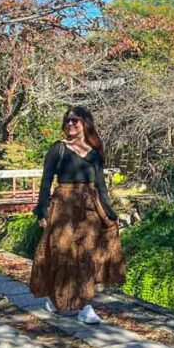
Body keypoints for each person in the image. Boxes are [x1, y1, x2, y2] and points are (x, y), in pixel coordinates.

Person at [30, 106, 123, 324]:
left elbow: (100, 185)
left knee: (88, 256)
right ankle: (56, 297)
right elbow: (46, 182)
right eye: (67, 121)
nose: (70, 124)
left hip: (89, 208)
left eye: (75, 120)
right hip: (63, 207)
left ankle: (85, 306)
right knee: (62, 254)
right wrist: (42, 211)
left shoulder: (94, 152)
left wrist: (109, 212)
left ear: (85, 123)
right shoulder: (58, 149)